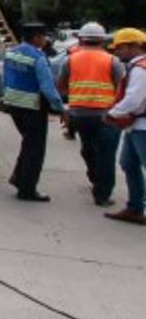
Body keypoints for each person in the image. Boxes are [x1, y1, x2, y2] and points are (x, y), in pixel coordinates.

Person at [56, 22, 124, 207]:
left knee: (88, 148)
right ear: (102, 40)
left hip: (80, 116)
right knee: (106, 155)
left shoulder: (70, 60)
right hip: (107, 116)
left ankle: (95, 177)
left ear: (80, 39)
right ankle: (101, 195)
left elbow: (60, 87)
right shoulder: (112, 61)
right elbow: (123, 88)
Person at [3, 23, 67, 202]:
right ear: (37, 37)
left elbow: (4, 78)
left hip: (13, 105)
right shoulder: (38, 57)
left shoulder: (11, 52)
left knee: (28, 143)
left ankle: (19, 178)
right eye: (44, 36)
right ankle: (27, 188)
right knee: (35, 149)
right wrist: (60, 108)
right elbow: (47, 86)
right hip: (32, 106)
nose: (45, 40)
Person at [105, 28, 146, 225]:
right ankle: (135, 208)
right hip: (135, 125)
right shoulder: (136, 66)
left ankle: (136, 207)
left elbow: (134, 99)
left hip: (142, 127)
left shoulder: (140, 69)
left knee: (133, 164)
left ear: (134, 46)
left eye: (120, 48)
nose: (117, 52)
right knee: (128, 164)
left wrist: (113, 113)